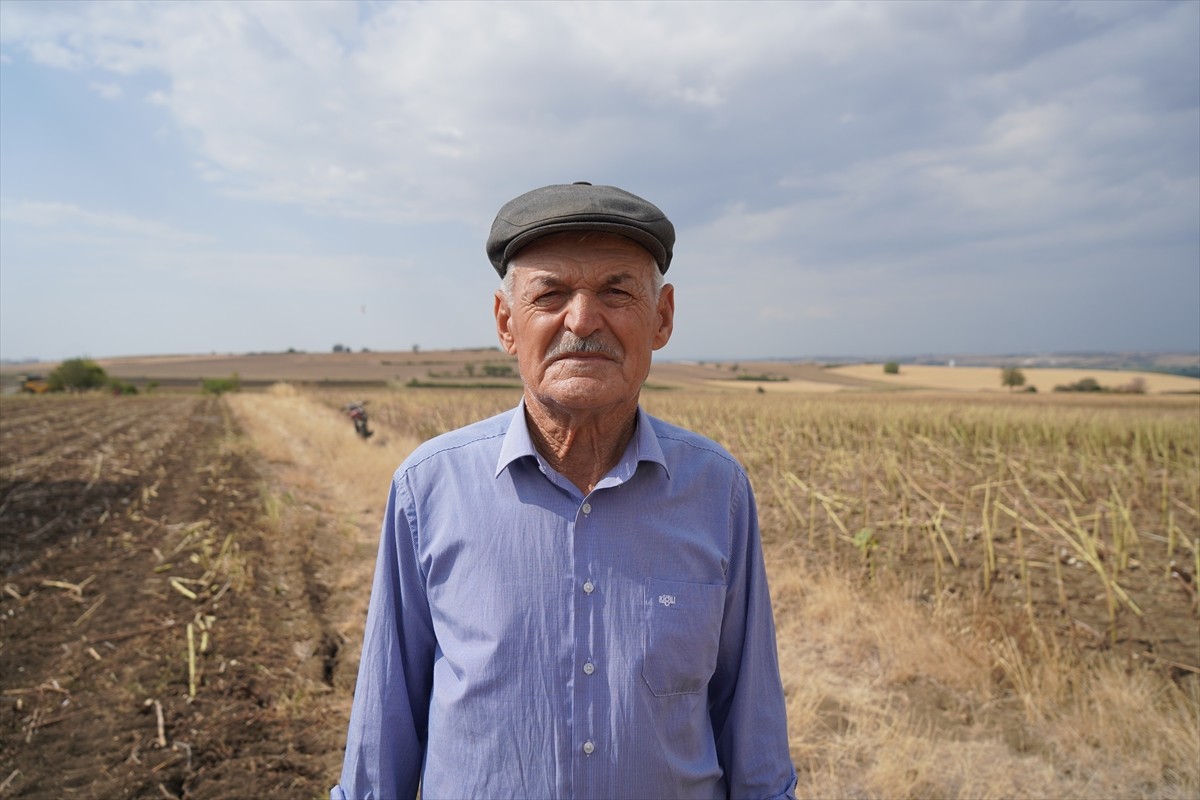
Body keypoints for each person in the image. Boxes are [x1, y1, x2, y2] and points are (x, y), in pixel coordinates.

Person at [332, 182, 796, 800]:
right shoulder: (430, 488)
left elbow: (751, 724)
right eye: (550, 294)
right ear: (506, 323)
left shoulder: (718, 490)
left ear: (662, 318)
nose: (582, 320)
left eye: (617, 291)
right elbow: (381, 743)